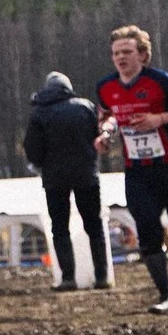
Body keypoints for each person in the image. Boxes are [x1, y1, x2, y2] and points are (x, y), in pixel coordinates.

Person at [95, 25, 168, 315]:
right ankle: (166, 295)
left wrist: (160, 119)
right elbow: (108, 115)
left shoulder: (161, 81)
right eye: (116, 53)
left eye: (127, 52)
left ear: (143, 55)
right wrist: (105, 134)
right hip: (137, 171)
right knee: (147, 229)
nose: (120, 58)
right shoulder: (106, 87)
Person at [22, 70, 108, 291]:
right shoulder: (85, 106)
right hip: (86, 175)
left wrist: (41, 165)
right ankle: (102, 276)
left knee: (60, 228)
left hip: (54, 179)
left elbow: (32, 148)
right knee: (94, 225)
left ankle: (68, 278)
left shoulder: (39, 113)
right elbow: (98, 136)